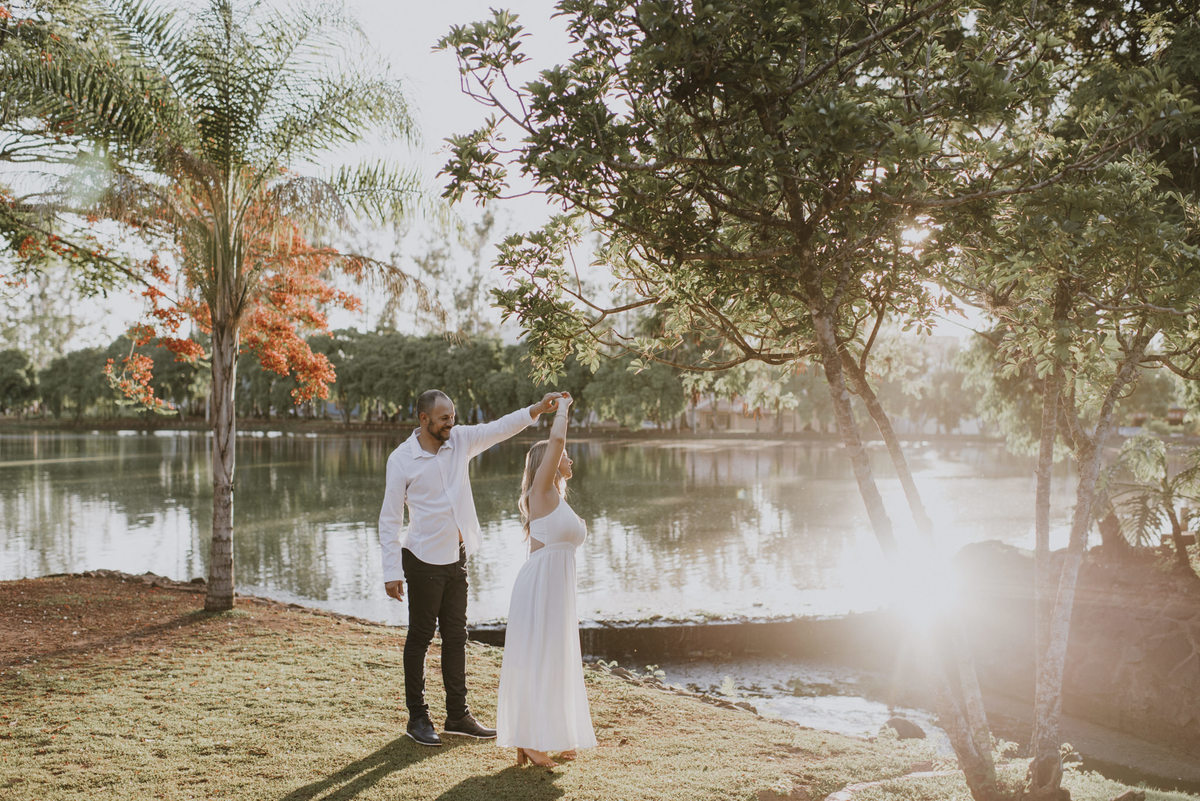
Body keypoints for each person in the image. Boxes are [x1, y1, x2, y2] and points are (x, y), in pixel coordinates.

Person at [379, 388, 565, 747]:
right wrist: (391, 571)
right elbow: (389, 520)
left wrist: (537, 410)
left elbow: (499, 428)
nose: (452, 422)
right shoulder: (401, 460)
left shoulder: (460, 441)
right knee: (419, 638)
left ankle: (457, 715)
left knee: (456, 636)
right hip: (420, 561)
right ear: (424, 419)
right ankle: (417, 718)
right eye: (445, 418)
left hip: (456, 557)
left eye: (453, 416)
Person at [496, 392, 597, 767]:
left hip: (557, 587)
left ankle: (550, 734)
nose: (569, 458)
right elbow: (556, 441)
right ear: (549, 464)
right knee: (539, 659)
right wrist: (564, 409)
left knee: (555, 659)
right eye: (564, 456)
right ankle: (530, 741)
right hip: (540, 587)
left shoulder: (556, 497)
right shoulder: (541, 489)